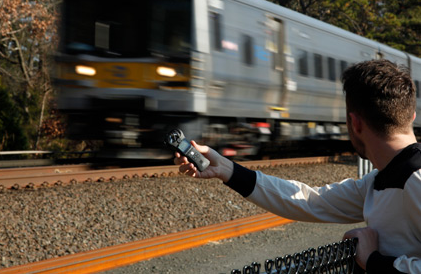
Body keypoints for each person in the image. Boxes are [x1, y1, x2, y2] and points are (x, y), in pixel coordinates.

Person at [175, 59, 421, 273]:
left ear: (354, 123)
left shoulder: (415, 179)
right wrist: (227, 170)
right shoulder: (380, 181)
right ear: (411, 116)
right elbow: (307, 200)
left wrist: (373, 261)